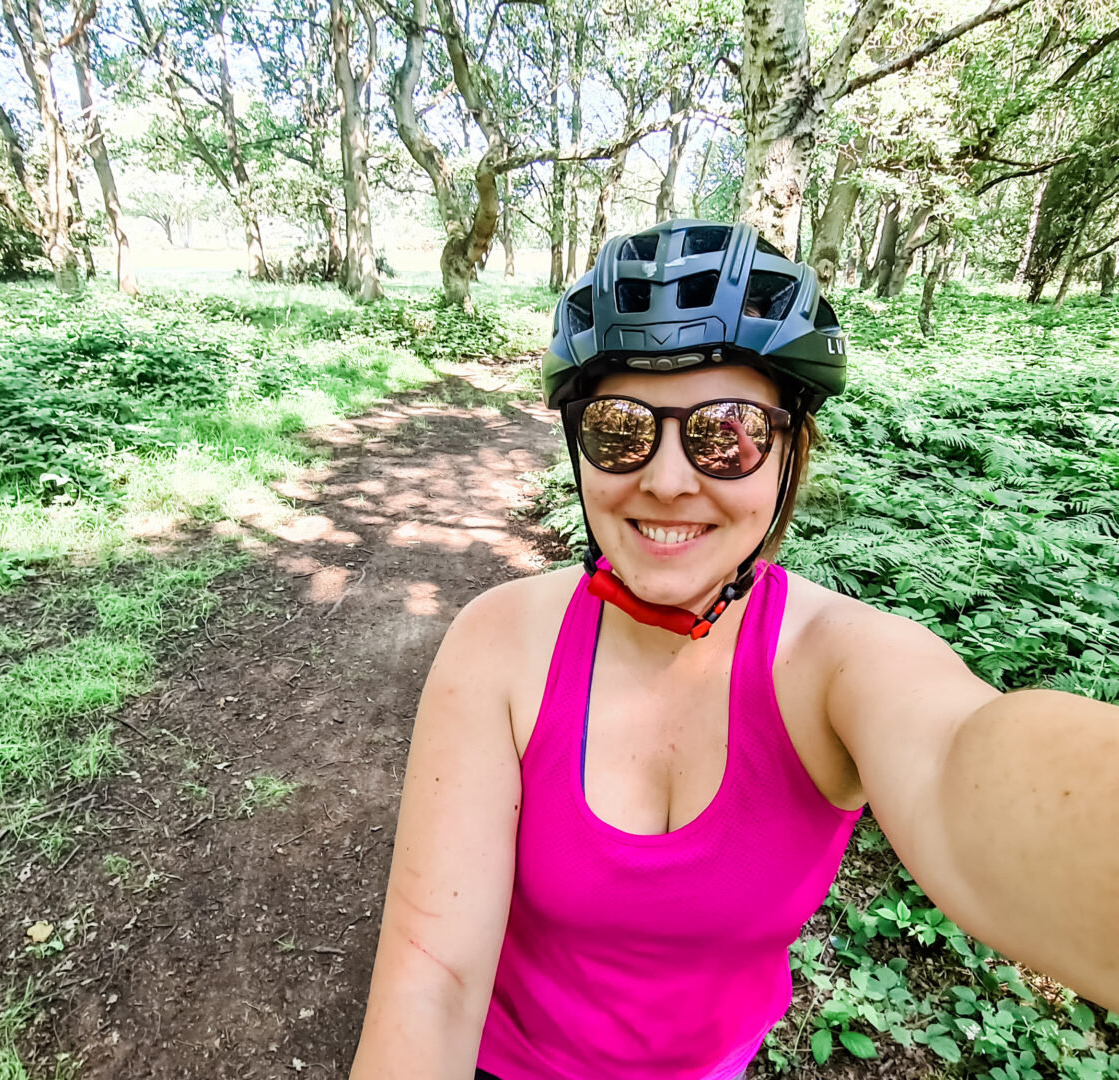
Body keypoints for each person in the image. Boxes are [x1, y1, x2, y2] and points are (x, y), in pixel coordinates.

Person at [348, 219, 1119, 1080]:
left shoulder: (841, 664)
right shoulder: (498, 643)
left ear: (789, 453)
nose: (669, 478)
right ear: (580, 451)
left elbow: (960, 762)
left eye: (729, 432)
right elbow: (434, 983)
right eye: (618, 429)